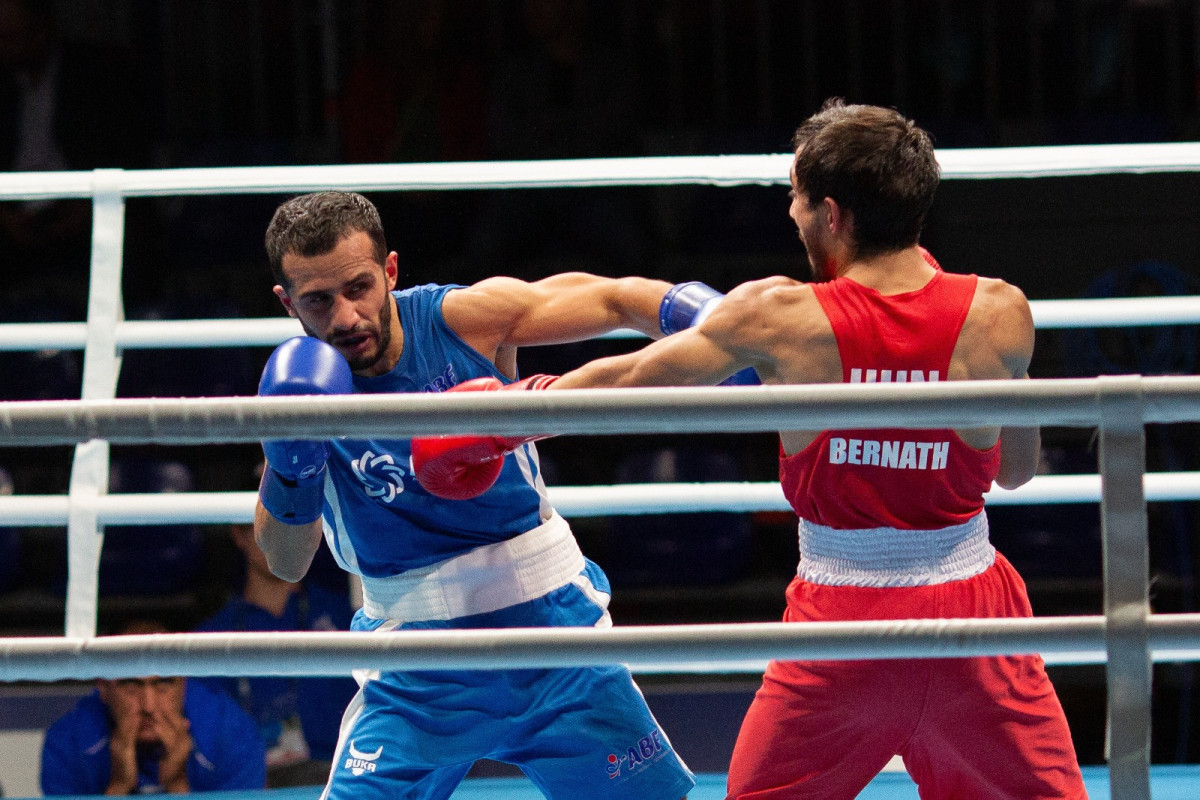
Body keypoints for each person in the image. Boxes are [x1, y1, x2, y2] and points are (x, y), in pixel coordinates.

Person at [412, 100, 1087, 799]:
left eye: (795, 199)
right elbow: (1014, 471)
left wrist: (496, 417)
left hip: (841, 627)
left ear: (832, 214)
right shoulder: (1000, 312)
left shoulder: (780, 318)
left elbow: (627, 381)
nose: (791, 216)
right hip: (973, 619)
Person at [253, 190, 695, 800]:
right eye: (319, 301)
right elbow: (285, 561)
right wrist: (289, 465)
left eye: (358, 287)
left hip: (551, 632)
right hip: (414, 662)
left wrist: (708, 318)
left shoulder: (460, 321)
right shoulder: (299, 394)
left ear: (390, 271)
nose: (347, 317)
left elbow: (612, 298)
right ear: (287, 302)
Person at [193, 520, 358, 788]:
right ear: (239, 534)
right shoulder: (206, 639)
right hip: (251, 785)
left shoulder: (349, 619)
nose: (281, 538)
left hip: (345, 778)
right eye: (268, 525)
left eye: (293, 524)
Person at [40, 620, 266, 796]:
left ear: (184, 682)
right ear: (104, 687)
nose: (148, 706)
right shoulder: (66, 743)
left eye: (163, 683)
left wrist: (177, 785)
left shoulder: (234, 735)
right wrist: (118, 787)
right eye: (131, 684)